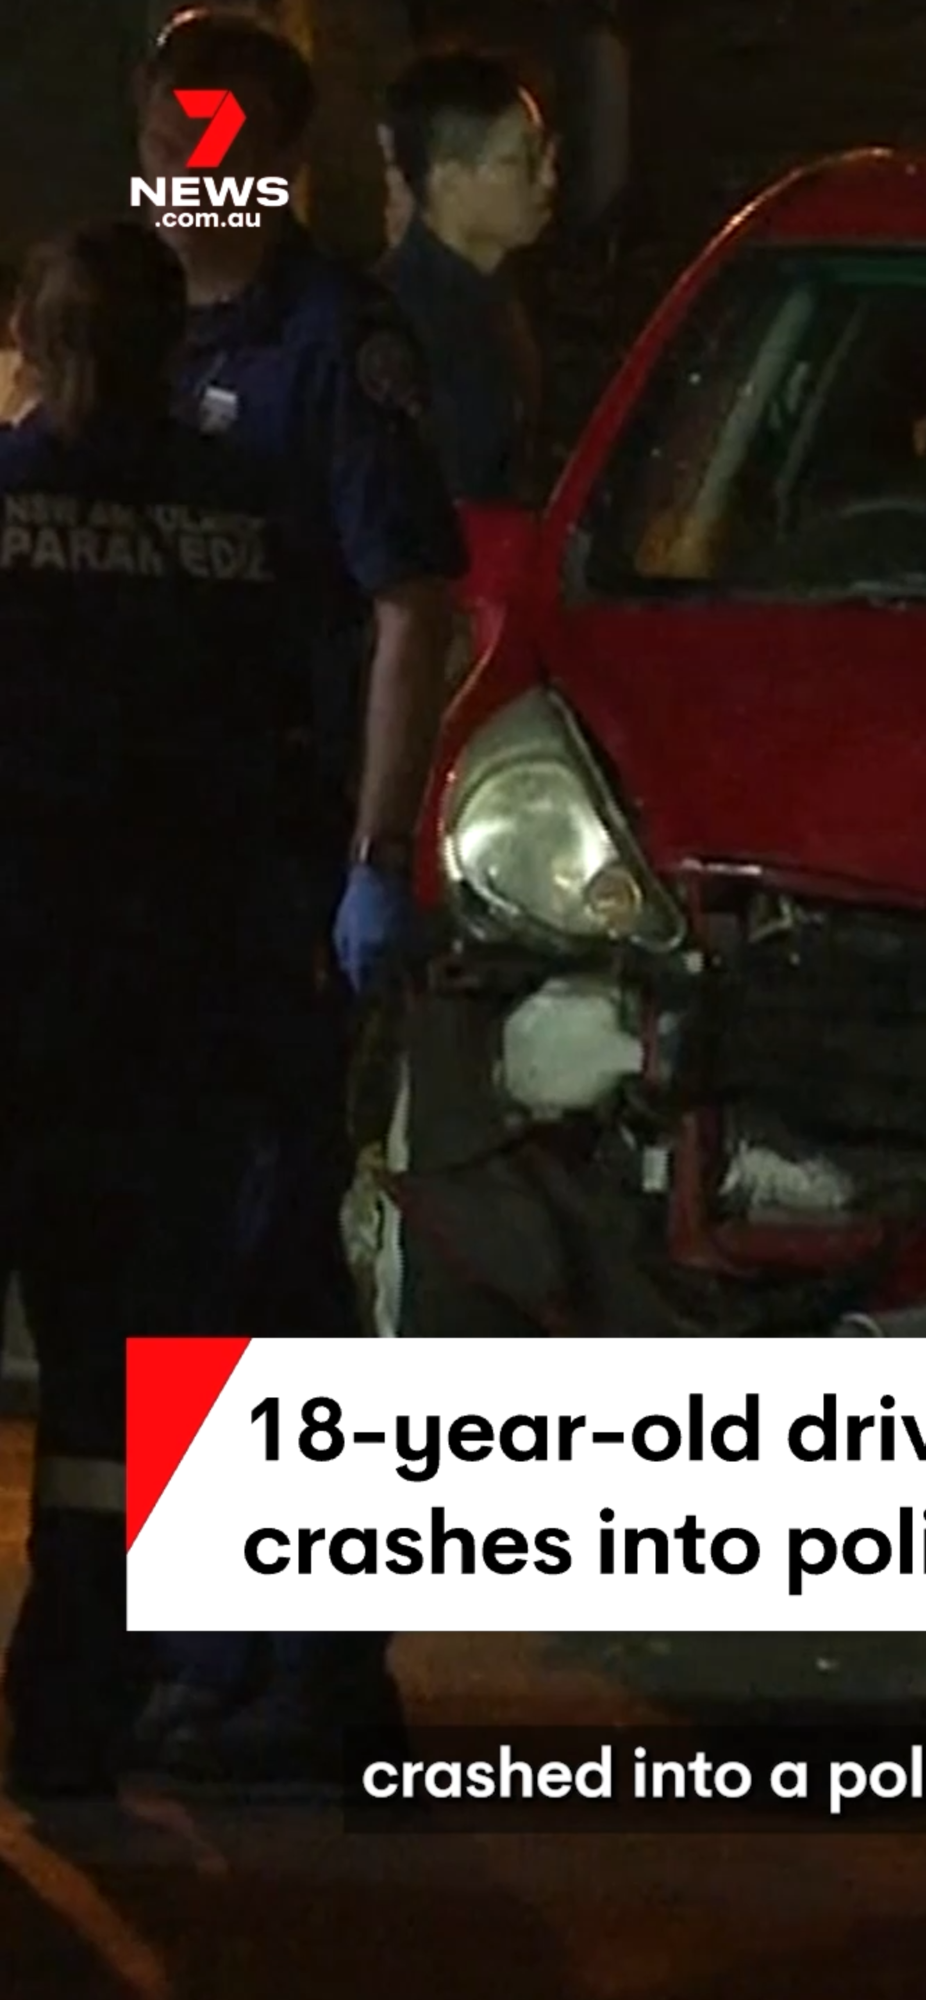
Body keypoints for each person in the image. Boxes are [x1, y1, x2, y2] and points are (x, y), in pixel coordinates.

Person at [131, 7, 469, 1788]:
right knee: (194, 1258)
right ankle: (214, 1650)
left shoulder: (337, 345)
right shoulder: (140, 338)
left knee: (273, 1264)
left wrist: (371, 855)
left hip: (281, 870)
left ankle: (319, 1671)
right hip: (173, 885)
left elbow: (414, 601)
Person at [0, 219, 299, 1799]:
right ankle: (76, 1715)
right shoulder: (246, 519)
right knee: (118, 1384)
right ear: (174, 350)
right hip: (164, 1016)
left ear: (32, 346)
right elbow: (292, 750)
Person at [380, 44, 556, 503]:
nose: (548, 180)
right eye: (520, 161)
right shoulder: (400, 324)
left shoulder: (491, 301)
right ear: (449, 181)